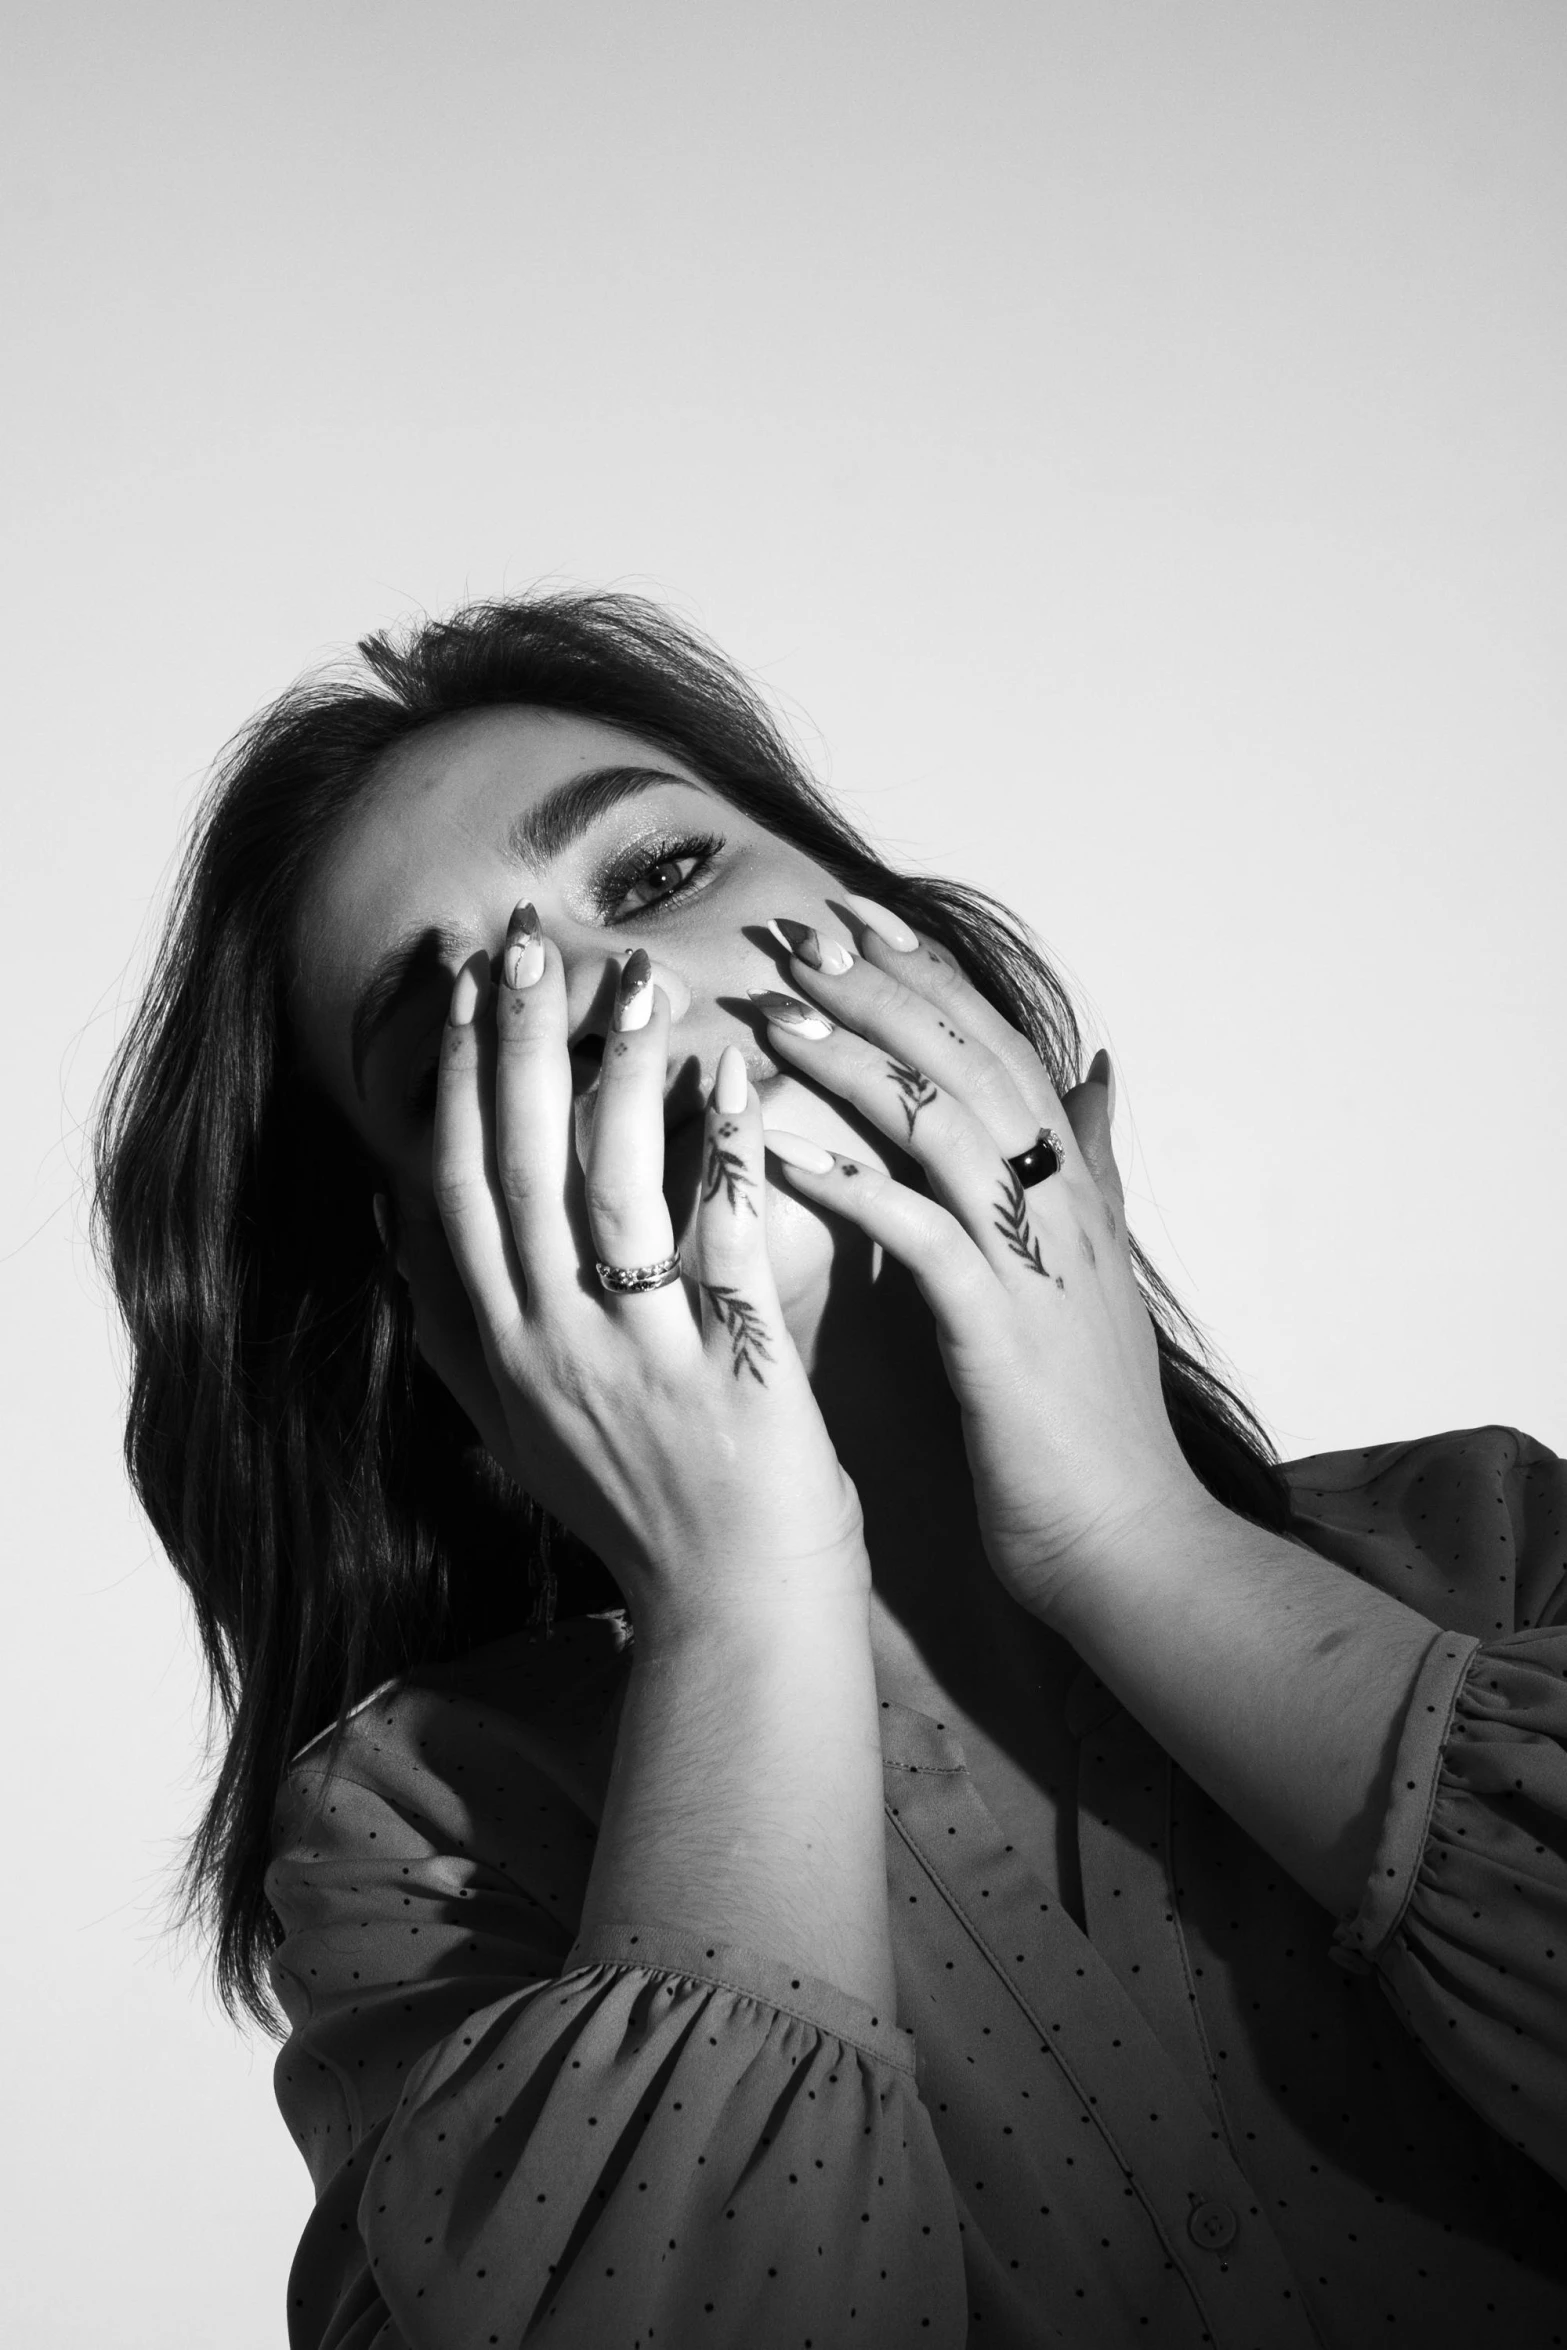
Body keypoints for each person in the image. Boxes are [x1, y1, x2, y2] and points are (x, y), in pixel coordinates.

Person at [95, 592, 1566, 2350]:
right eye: (464, 1039)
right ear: (428, 1289)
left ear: (909, 946)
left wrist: (1130, 1531)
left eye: (649, 882)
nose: (613, 1006)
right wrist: (740, 1597)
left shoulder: (1487, 1552)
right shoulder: (420, 1852)